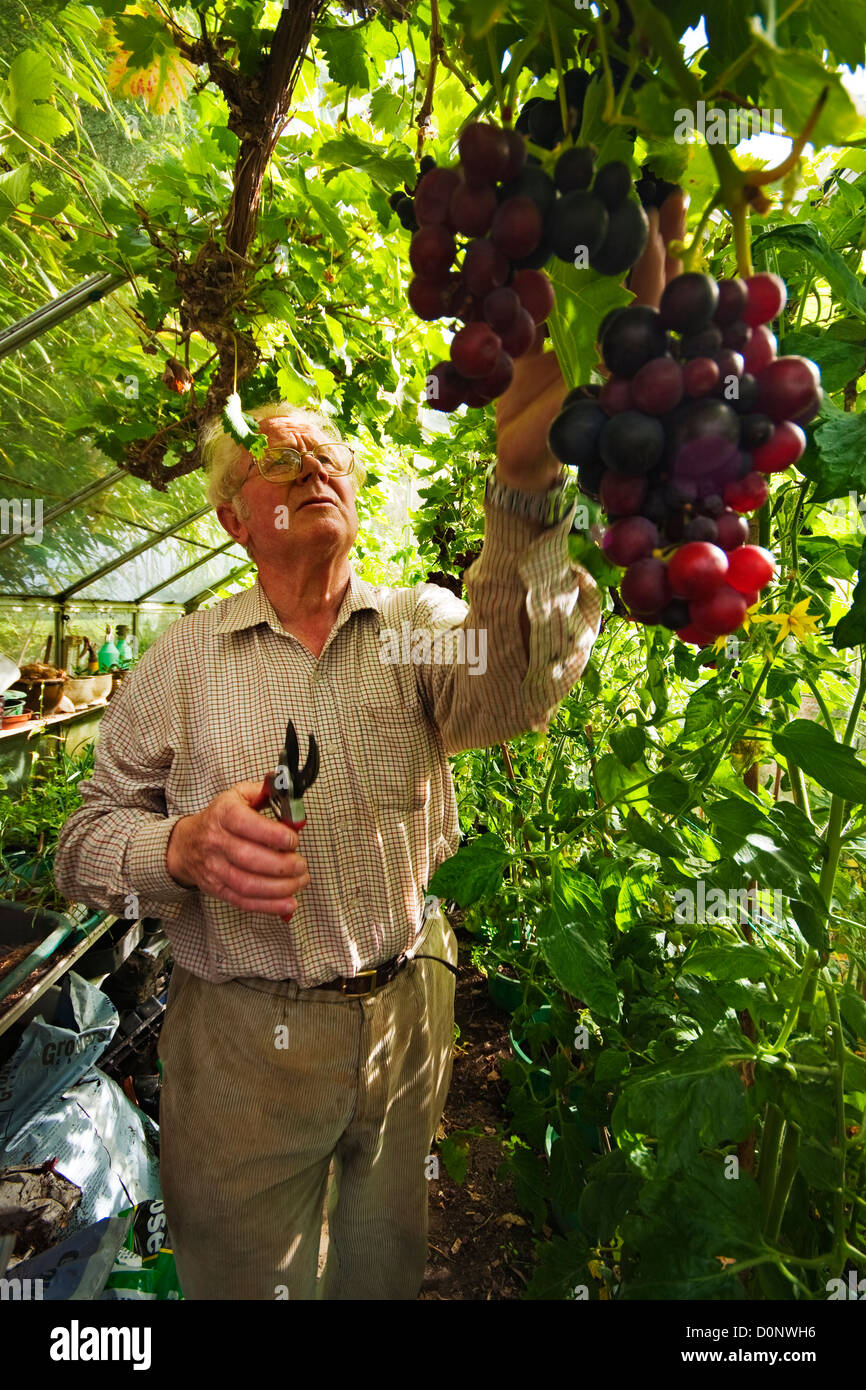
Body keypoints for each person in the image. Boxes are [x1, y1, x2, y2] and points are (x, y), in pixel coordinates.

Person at [53, 197, 683, 1301]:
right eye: (277, 457)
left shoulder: (413, 626)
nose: (313, 463)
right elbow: (82, 843)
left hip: (403, 1020)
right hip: (239, 1042)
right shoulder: (182, 660)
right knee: (248, 1280)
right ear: (232, 519)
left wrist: (525, 491)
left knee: (381, 1273)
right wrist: (183, 850)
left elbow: (511, 683)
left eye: (328, 452)